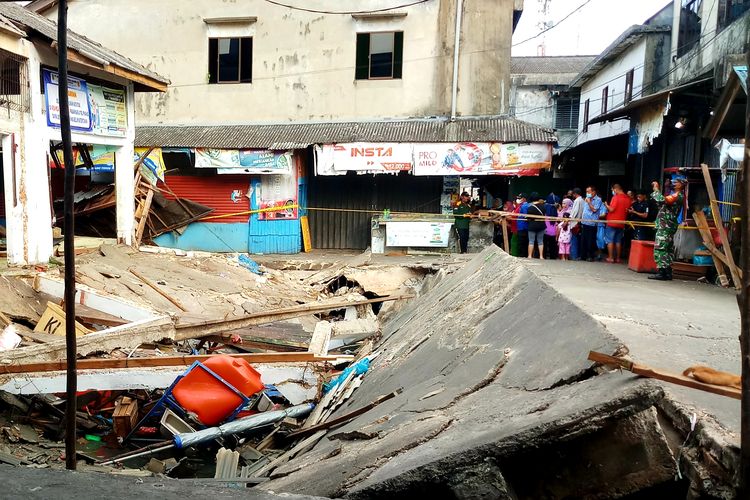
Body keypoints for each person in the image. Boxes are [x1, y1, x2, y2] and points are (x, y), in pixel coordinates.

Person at [649, 175, 686, 281]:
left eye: (676, 182)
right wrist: (665, 187)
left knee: (661, 248)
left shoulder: (678, 196)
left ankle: (662, 272)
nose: (673, 183)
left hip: (666, 225)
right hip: (667, 225)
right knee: (667, 248)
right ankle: (667, 272)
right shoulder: (675, 195)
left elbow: (662, 200)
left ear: (681, 184)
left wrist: (656, 189)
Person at [604, 184, 631, 263]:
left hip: (612, 222)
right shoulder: (627, 198)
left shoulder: (615, 197)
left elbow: (611, 209)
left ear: (615, 189)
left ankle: (611, 258)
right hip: (621, 222)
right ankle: (618, 258)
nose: (613, 192)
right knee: (618, 241)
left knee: (610, 240)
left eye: (613, 190)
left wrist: (606, 205)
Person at [581, 186, 603, 261]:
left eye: (589, 192)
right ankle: (583, 256)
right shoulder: (586, 199)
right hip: (584, 222)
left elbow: (594, 210)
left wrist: (589, 202)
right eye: (586, 192)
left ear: (593, 192)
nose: (587, 193)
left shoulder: (598, 200)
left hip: (592, 223)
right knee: (584, 240)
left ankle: (590, 256)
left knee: (591, 240)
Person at [525, 194, 546, 259]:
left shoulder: (530, 208)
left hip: (532, 225)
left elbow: (528, 218)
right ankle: (541, 256)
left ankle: (530, 255)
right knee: (540, 241)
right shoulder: (543, 207)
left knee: (531, 241)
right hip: (541, 225)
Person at [569, 188, 585, 260]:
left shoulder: (577, 201)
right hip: (580, 222)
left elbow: (574, 212)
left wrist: (569, 219)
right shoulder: (582, 200)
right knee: (578, 240)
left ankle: (574, 256)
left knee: (574, 240)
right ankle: (578, 255)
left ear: (575, 194)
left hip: (575, 222)